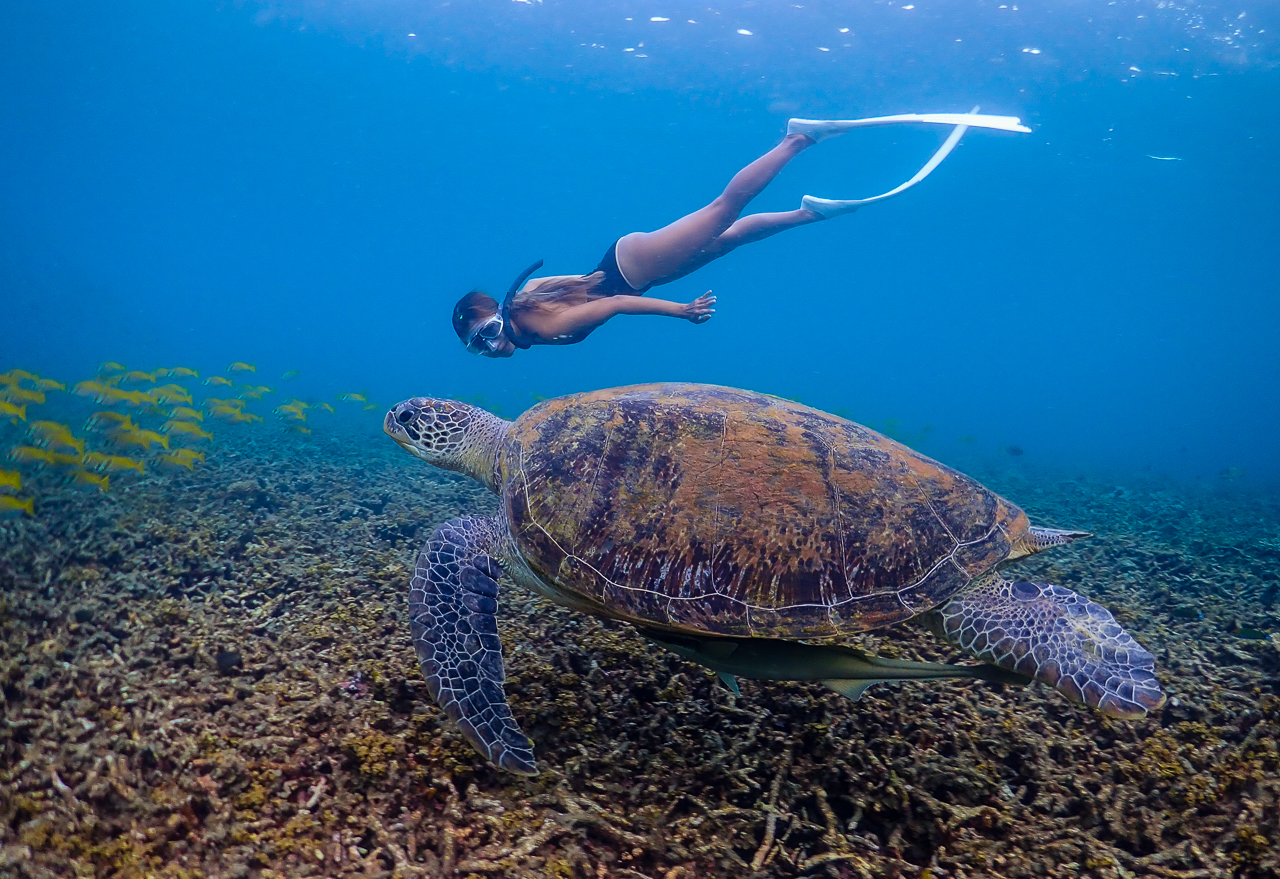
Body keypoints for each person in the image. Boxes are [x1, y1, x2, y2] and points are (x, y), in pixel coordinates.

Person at [454, 110, 1031, 357]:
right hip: (629, 263)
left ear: (502, 318)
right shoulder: (526, 321)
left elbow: (615, 307)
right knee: (729, 238)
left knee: (726, 208)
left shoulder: (537, 323)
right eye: (480, 343)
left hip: (637, 270)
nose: (491, 345)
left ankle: (797, 139)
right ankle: (813, 212)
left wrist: (680, 313)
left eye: (488, 333)